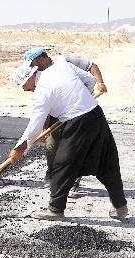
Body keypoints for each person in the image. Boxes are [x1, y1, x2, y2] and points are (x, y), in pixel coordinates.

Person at [9, 62, 127, 221]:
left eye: (23, 84)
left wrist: (20, 148)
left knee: (62, 164)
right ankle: (120, 207)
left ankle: (56, 210)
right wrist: (78, 99)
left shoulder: (41, 92)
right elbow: (90, 81)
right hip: (96, 114)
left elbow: (35, 124)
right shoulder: (61, 67)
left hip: (78, 122)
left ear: (31, 76)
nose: (24, 88)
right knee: (106, 162)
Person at [24, 48, 108, 196]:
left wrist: (100, 83)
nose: (31, 68)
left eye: (32, 64)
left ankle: (73, 180)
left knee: (75, 147)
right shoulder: (37, 75)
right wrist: (44, 128)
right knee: (51, 144)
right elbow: (42, 107)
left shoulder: (65, 60)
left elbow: (92, 67)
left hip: (78, 111)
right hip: (56, 109)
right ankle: (51, 175)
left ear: (41, 59)